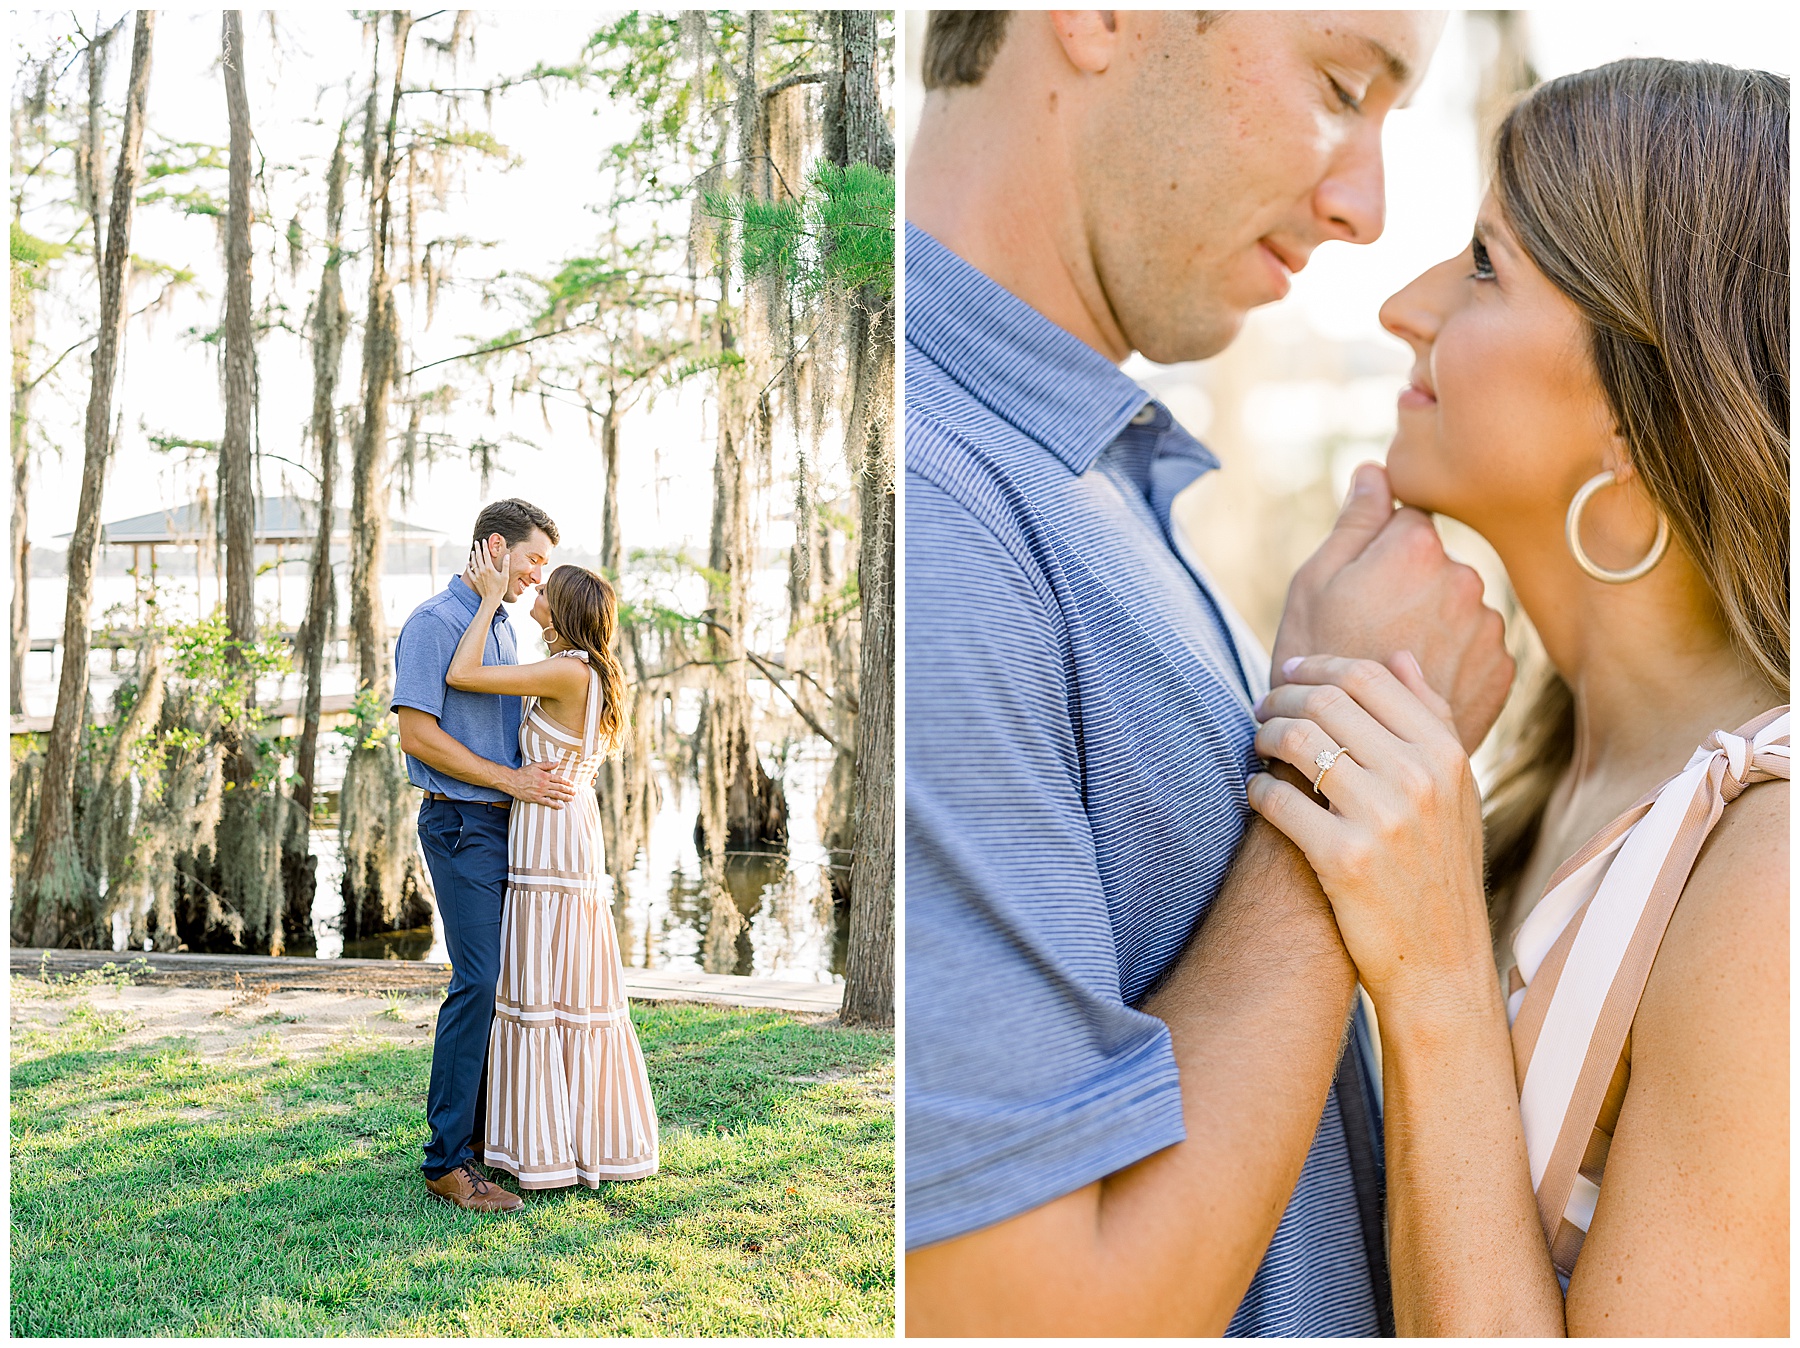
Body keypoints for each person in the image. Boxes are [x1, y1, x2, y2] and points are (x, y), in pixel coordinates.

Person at [904, 11, 1514, 1335]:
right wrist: (1345, 752)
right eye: (1340, 87)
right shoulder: (936, 510)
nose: (1365, 207)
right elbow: (1036, 1318)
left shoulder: (1077, 481)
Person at [1247, 59, 1788, 1334]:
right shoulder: (1554, 782)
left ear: (1640, 401)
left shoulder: (1771, 875)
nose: (1404, 306)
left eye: (1484, 263)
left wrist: (1431, 971)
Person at [447, 548, 659, 1189]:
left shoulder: (569, 672)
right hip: (554, 824)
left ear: (561, 611)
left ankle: (547, 1146)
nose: (534, 588)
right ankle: (547, 1133)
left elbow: (463, 674)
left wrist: (485, 602)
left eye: (546, 587)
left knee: (545, 983)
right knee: (555, 978)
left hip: (552, 832)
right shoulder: (583, 670)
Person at [393, 497, 574, 1214]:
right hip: (464, 826)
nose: (540, 574)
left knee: (503, 987)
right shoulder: (434, 624)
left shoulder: (497, 626)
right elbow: (418, 736)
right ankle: (446, 1163)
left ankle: (486, 1138)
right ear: (495, 547)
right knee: (477, 984)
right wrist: (511, 781)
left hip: (508, 829)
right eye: (534, 558)